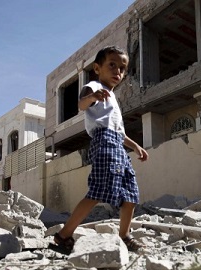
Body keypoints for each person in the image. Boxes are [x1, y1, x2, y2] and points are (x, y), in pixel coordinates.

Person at [53, 46, 149, 254]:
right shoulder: (93, 86)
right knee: (99, 189)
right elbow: (81, 105)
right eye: (112, 65)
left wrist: (136, 146)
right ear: (97, 68)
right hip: (104, 141)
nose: (117, 72)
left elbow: (119, 132)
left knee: (131, 192)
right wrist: (93, 97)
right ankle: (64, 235)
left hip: (117, 143)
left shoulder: (113, 98)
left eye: (122, 68)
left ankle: (124, 236)